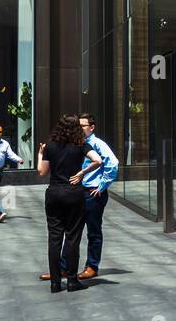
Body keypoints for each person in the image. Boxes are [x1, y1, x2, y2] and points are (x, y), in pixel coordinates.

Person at [39, 113, 119, 282]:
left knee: (93, 231)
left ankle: (91, 266)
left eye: (83, 125)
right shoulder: (75, 143)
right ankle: (63, 269)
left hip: (91, 192)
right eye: (79, 125)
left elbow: (113, 163)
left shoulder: (97, 144)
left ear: (92, 127)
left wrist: (101, 185)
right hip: (74, 192)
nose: (80, 128)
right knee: (71, 233)